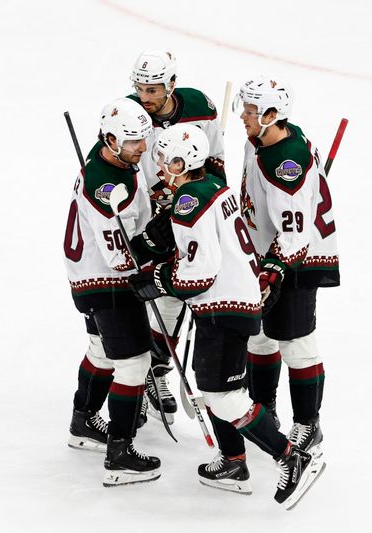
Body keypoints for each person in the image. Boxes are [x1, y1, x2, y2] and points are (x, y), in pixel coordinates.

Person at [127, 123, 325, 506]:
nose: (159, 163)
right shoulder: (214, 190)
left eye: (165, 157)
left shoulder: (189, 202)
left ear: (182, 161)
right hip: (235, 303)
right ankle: (233, 462)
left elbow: (200, 273)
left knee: (224, 395)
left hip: (224, 308)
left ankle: (291, 458)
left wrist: (158, 277)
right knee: (215, 391)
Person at [63, 97, 175, 486]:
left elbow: (130, 210)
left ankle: (83, 422)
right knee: (134, 364)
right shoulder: (106, 184)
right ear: (110, 139)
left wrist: (153, 207)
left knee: (100, 351)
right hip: (108, 282)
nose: (142, 148)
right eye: (133, 142)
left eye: (144, 139)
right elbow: (121, 258)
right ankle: (120, 452)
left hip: (85, 275)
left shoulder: (109, 158)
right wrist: (156, 238)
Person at [234, 76, 340, 457]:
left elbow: (295, 235)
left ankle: (308, 425)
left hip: (293, 261)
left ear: (272, 115)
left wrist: (272, 270)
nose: (243, 117)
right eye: (244, 108)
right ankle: (267, 413)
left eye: (250, 110)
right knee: (260, 339)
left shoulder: (285, 163)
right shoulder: (266, 139)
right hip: (266, 256)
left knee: (297, 344)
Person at [126, 49, 227, 425]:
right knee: (154, 299)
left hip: (190, 214)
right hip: (151, 219)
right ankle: (143, 378)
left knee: (183, 292)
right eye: (140, 88)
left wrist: (204, 197)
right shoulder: (132, 114)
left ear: (171, 84)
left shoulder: (201, 106)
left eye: (153, 89)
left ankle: (156, 372)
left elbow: (216, 161)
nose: (146, 97)